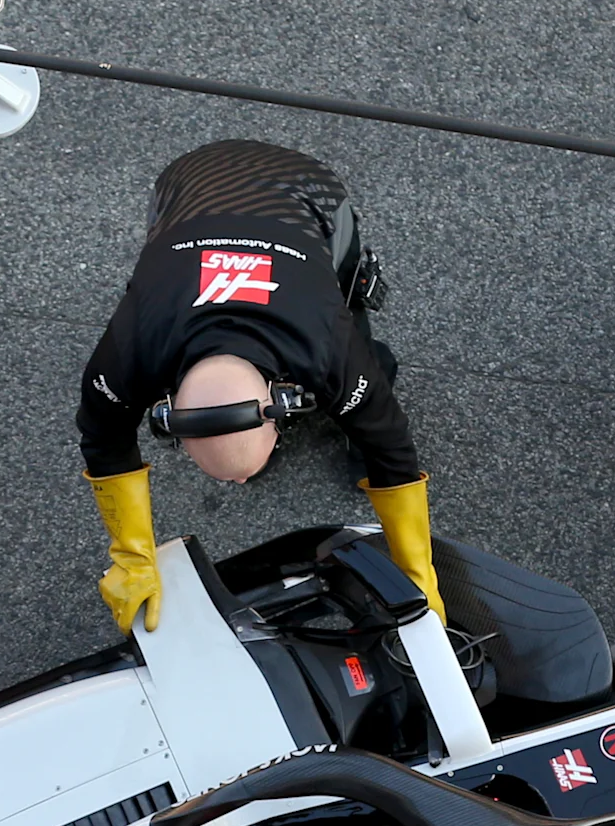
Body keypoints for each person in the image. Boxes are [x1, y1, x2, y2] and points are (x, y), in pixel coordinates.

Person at [78, 140, 446, 635]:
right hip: (188, 187)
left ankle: (363, 397)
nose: (230, 487)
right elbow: (101, 441)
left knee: (361, 341)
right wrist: (131, 558)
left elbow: (392, 450)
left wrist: (419, 577)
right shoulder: (129, 352)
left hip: (304, 190)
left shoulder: (331, 348)